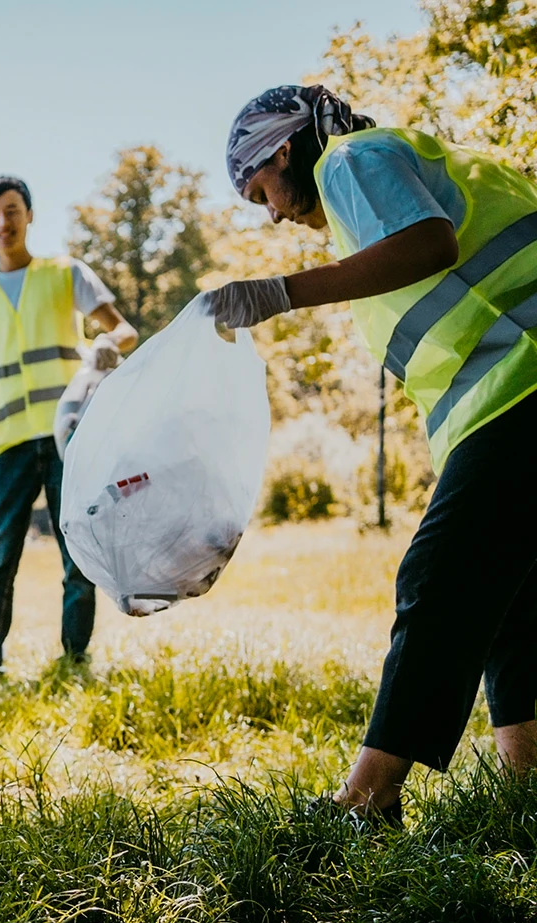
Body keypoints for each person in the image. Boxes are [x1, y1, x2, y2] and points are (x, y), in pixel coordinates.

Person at [206, 84, 537, 822]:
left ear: (282, 149)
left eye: (259, 189)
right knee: (511, 603)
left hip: (525, 384)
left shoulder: (352, 161)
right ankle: (525, 795)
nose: (270, 213)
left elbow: (431, 245)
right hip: (510, 395)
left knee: (439, 578)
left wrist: (280, 293)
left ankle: (366, 796)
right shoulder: (368, 206)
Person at [0, 175, 138, 679]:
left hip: (67, 436)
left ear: (29, 215)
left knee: (77, 555)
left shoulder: (64, 274)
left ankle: (75, 660)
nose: (2, 223)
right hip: (6, 443)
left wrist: (107, 345)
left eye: (11, 211)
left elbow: (124, 328)